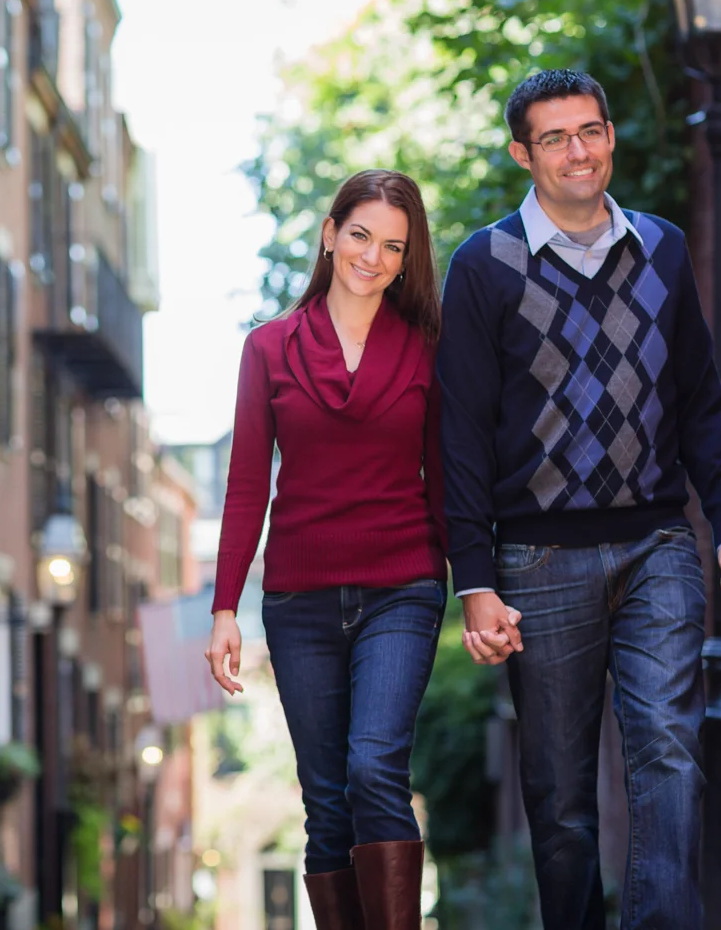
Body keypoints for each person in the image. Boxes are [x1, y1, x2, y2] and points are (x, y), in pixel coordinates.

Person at [437, 68, 721, 929]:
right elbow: (460, 436)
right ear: (523, 154)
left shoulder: (662, 248)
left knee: (671, 753)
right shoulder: (484, 266)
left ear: (610, 137)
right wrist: (475, 580)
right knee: (560, 799)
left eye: (590, 131)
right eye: (555, 137)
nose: (577, 151)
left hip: (658, 543)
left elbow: (700, 400)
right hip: (537, 559)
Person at [205, 169, 449, 930]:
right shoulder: (268, 348)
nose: (372, 257)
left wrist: (476, 584)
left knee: (374, 766)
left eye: (392, 247)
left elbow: (447, 479)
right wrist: (224, 608)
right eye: (360, 236)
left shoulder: (427, 349)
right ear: (329, 234)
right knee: (326, 804)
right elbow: (248, 483)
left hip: (402, 587)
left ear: (406, 261)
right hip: (299, 603)